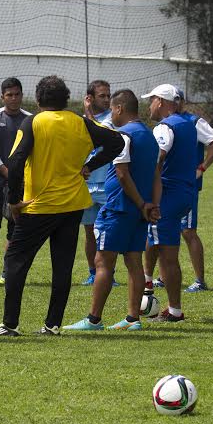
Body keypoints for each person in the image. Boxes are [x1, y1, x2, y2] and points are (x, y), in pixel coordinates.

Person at [0, 75, 124, 336]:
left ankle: (10, 324)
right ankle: (53, 325)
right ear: (65, 99)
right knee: (63, 265)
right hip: (72, 205)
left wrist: (13, 201)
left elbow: (15, 163)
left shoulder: (34, 121)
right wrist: (89, 166)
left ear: (37, 99)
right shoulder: (80, 122)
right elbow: (117, 142)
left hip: (39, 205)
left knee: (15, 261)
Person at [63, 89, 159, 331]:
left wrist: (140, 203)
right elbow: (157, 175)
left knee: (103, 261)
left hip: (119, 207)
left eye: (112, 109)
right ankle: (132, 319)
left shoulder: (124, 135)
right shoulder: (149, 136)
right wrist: (151, 204)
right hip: (140, 211)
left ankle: (93, 319)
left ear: (119, 109)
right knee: (134, 261)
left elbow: (122, 174)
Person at [140, 83, 198, 323]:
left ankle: (174, 310)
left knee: (167, 254)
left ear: (161, 102)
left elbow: (158, 157)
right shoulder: (188, 123)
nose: (149, 105)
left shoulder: (164, 127)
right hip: (185, 192)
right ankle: (147, 285)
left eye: (151, 100)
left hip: (168, 194)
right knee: (158, 245)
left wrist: (148, 193)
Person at [175, 87, 213, 292]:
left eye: (178, 99)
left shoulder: (194, 122)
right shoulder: (166, 122)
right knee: (168, 230)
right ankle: (163, 275)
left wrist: (201, 167)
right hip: (168, 185)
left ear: (182, 101)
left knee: (188, 231)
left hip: (186, 185)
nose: (175, 103)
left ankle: (199, 280)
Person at [0, 77, 30, 285]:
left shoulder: (30, 119)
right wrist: (6, 171)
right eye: (9, 95)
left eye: (16, 94)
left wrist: (18, 176)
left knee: (14, 230)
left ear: (22, 95)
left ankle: (6, 272)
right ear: (2, 97)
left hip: (20, 184)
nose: (13, 98)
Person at [80, 80, 113, 286]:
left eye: (108, 95)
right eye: (102, 96)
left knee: (109, 231)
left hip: (107, 184)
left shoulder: (113, 118)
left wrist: (88, 115)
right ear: (90, 98)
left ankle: (108, 273)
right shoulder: (81, 120)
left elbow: (102, 135)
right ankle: (93, 272)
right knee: (89, 231)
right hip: (87, 184)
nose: (107, 99)